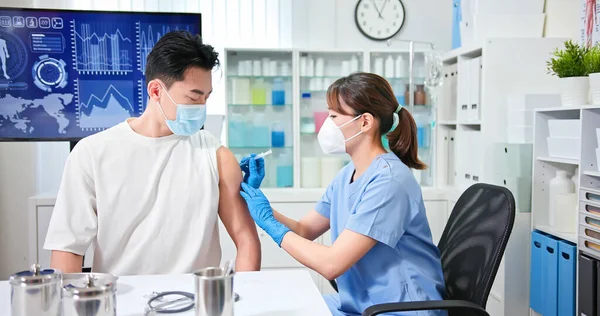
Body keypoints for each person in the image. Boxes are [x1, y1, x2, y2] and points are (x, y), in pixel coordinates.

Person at [44, 31, 261, 275]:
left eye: (206, 98)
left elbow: (247, 240)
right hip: (119, 302)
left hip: (197, 302)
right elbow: (67, 249)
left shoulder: (215, 155)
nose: (201, 108)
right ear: (156, 90)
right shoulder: (92, 154)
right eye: (193, 97)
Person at [240, 72, 446, 315]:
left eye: (334, 116)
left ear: (365, 122)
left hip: (400, 309)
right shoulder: (348, 174)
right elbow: (305, 230)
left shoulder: (389, 181)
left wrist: (269, 223)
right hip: (362, 305)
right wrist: (257, 201)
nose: (326, 124)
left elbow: (331, 264)